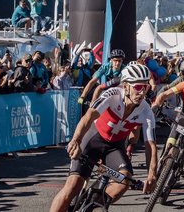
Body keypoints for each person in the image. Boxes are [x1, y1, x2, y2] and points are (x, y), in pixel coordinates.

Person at [49, 63, 160, 212]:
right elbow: (88, 117)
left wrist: (152, 175)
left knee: (124, 180)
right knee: (72, 186)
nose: (142, 93)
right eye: (138, 87)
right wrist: (76, 140)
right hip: (92, 140)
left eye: (145, 87)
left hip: (114, 147)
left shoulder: (146, 111)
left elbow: (150, 146)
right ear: (126, 86)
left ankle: (92, 204)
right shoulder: (112, 95)